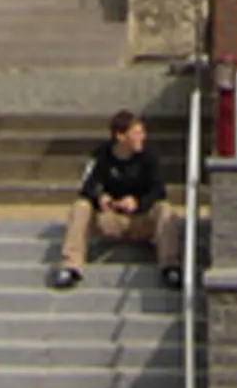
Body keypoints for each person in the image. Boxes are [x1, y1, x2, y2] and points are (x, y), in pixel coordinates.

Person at [55, 110, 183, 289]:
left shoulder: (149, 157)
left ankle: (170, 266)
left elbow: (158, 190)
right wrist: (100, 197)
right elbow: (87, 186)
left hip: (140, 219)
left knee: (165, 209)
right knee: (80, 207)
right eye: (137, 133)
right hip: (110, 218)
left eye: (142, 133)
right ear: (121, 136)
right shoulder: (102, 155)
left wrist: (137, 202)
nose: (142, 138)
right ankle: (70, 267)